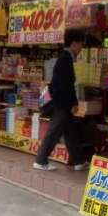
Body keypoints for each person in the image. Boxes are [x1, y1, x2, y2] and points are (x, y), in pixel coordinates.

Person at [34, 29, 89, 171]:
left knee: (70, 131)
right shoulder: (65, 59)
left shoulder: (65, 58)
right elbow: (66, 85)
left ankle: (79, 161)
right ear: (74, 44)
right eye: (81, 44)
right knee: (54, 131)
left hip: (61, 101)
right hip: (60, 103)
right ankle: (40, 161)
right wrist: (73, 104)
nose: (81, 48)